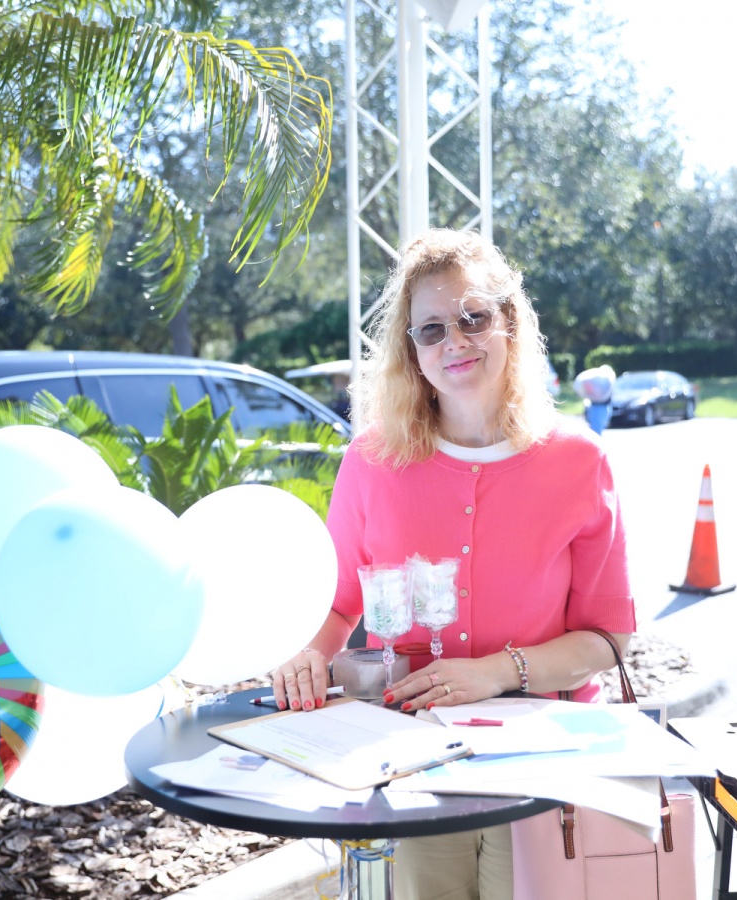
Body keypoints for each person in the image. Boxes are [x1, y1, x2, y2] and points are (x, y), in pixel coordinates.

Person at [269, 228, 637, 900]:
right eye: (432, 329)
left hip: (541, 758)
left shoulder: (580, 459)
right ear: (410, 349)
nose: (455, 342)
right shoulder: (372, 460)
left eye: (473, 318)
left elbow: (608, 639)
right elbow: (339, 600)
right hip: (406, 753)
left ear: (510, 322)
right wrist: (308, 655)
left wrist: (495, 672)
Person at [573, 364, 616, 435]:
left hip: (601, 407)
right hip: (598, 407)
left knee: (597, 428)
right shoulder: (598, 382)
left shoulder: (602, 382)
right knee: (596, 431)